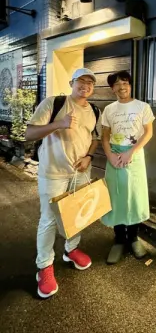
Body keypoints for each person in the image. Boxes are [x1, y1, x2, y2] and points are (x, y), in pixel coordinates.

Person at [25, 68, 101, 299]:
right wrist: (59, 124)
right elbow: (29, 134)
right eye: (81, 81)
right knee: (49, 220)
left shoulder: (95, 110)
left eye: (89, 82)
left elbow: (94, 140)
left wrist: (88, 157)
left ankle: (71, 249)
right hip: (53, 173)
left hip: (78, 173)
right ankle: (44, 267)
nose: (85, 85)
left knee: (76, 215)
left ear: (93, 88)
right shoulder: (53, 103)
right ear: (72, 83)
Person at [99, 70, 154, 264]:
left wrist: (131, 152)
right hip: (113, 155)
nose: (122, 86)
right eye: (117, 83)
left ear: (130, 85)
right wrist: (110, 156)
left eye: (125, 82)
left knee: (134, 195)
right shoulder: (109, 110)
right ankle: (119, 239)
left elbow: (148, 133)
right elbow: (104, 136)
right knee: (116, 196)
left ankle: (133, 237)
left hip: (134, 156)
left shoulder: (143, 107)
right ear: (112, 88)